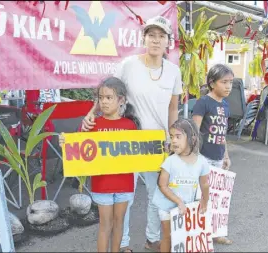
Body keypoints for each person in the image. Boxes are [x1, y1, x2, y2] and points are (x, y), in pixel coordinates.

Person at [81, 16, 182, 252]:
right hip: (126, 140)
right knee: (124, 196)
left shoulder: (174, 72)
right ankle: (123, 243)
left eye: (161, 36)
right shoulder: (128, 65)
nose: (156, 41)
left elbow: (173, 107)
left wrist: (174, 137)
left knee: (157, 195)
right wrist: (90, 114)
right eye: (151, 35)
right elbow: (109, 90)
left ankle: (152, 237)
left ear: (169, 41)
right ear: (144, 38)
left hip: (157, 144)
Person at [59, 77, 141, 252]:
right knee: (105, 225)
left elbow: (139, 153)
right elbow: (76, 146)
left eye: (109, 97)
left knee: (119, 223)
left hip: (124, 184)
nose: (104, 101)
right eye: (101, 97)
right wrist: (64, 141)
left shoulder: (130, 126)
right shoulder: (91, 124)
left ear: (121, 100)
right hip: (102, 184)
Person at [152, 118, 210, 252]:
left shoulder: (202, 162)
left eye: (178, 136)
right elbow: (162, 185)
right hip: (166, 206)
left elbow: (205, 184)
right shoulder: (170, 161)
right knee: (168, 236)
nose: (173, 141)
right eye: (172, 137)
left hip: (186, 208)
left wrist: (205, 202)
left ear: (192, 138)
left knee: (183, 237)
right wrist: (178, 202)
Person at [192, 63, 234, 245]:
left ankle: (216, 232)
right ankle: (197, 234)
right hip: (203, 158)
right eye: (224, 82)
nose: (228, 86)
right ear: (211, 83)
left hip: (218, 157)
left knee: (217, 196)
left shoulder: (225, 105)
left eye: (231, 83)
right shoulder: (203, 103)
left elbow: (222, 133)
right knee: (201, 196)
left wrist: (226, 156)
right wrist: (192, 158)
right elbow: (194, 131)